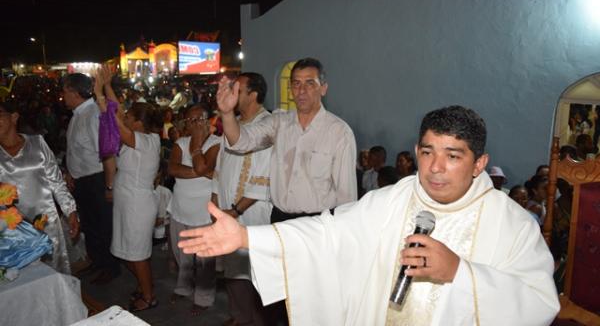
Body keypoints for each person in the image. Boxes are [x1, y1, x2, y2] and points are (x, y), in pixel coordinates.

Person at [179, 105, 559, 326]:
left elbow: (539, 303)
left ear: (480, 164)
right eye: (427, 152)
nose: (436, 168)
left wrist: (460, 272)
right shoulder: (393, 199)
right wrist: (248, 238)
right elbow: (328, 233)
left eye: (453, 155)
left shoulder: (513, 226)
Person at [215, 58, 357, 222]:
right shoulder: (278, 122)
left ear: (323, 88)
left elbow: (347, 195)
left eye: (310, 83)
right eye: (296, 83)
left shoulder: (339, 132)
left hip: (319, 223)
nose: (301, 90)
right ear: (291, 89)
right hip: (280, 219)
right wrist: (226, 113)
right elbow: (240, 142)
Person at [94, 66, 163, 311]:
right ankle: (146, 286)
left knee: (137, 254)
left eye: (130, 117)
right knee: (125, 252)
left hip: (137, 205)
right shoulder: (140, 138)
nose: (126, 118)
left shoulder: (147, 141)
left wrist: (102, 96)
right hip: (128, 202)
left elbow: (116, 118)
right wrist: (106, 86)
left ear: (138, 122)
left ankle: (149, 296)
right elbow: (118, 113)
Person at [211, 72, 272, 326]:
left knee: (256, 275)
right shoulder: (232, 123)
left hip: (251, 215)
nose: (233, 93)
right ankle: (239, 317)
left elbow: (263, 179)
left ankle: (257, 321)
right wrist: (215, 203)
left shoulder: (268, 125)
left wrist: (234, 211)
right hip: (226, 211)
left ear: (254, 95)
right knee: (233, 271)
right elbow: (220, 166)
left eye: (239, 89)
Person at [0, 100, 80, 274]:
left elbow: (56, 181)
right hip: (12, 229)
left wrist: (70, 210)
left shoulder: (37, 143)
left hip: (45, 221)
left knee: (53, 272)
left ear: (13, 117)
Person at [63, 73, 119, 284]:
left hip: (96, 179)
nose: (63, 96)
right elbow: (77, 150)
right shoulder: (78, 114)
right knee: (89, 225)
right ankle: (97, 261)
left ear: (75, 92)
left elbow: (106, 152)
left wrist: (109, 185)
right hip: (82, 181)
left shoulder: (93, 113)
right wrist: (71, 171)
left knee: (103, 225)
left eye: (65, 91)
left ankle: (110, 267)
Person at [167, 103, 221, 315]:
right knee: (183, 254)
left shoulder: (217, 143)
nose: (194, 124)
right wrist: (205, 172)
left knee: (205, 259)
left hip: (204, 210)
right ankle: (184, 287)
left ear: (208, 122)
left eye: (198, 119)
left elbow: (206, 166)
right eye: (190, 120)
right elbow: (173, 168)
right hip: (181, 207)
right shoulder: (180, 142)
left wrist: (199, 149)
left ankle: (204, 297)